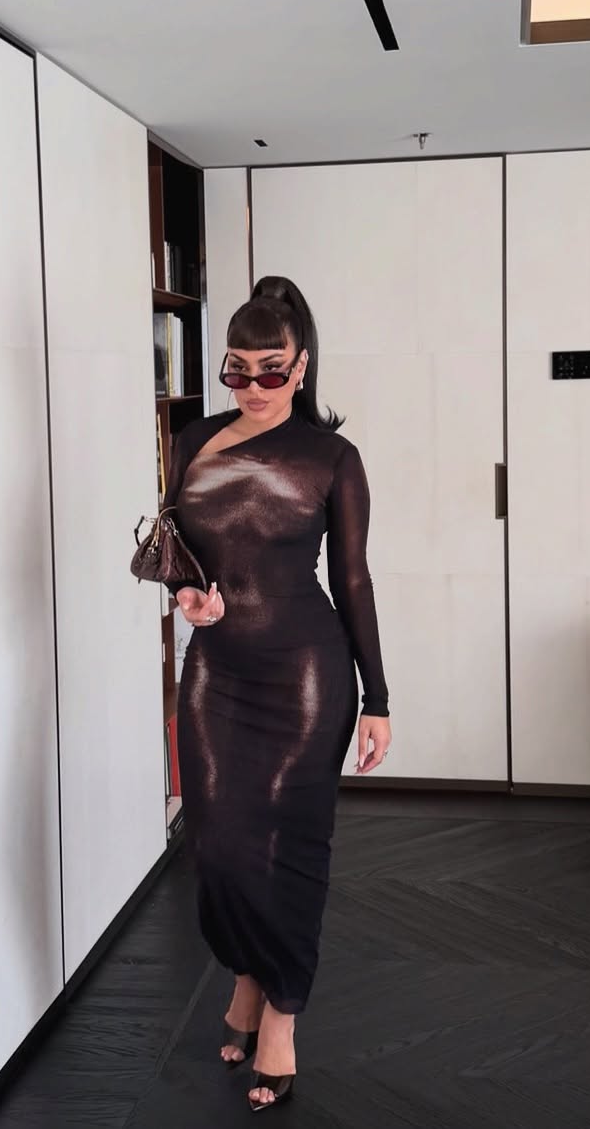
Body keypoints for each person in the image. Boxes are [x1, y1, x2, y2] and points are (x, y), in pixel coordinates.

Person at [162, 275, 392, 1113]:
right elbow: (176, 545)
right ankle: (248, 974)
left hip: (304, 677)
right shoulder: (193, 439)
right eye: (236, 370)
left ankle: (281, 1009)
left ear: (300, 366)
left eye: (269, 370)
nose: (252, 386)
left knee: (287, 847)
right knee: (219, 845)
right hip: (215, 671)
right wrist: (186, 593)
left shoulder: (332, 457)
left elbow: (354, 579)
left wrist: (377, 696)